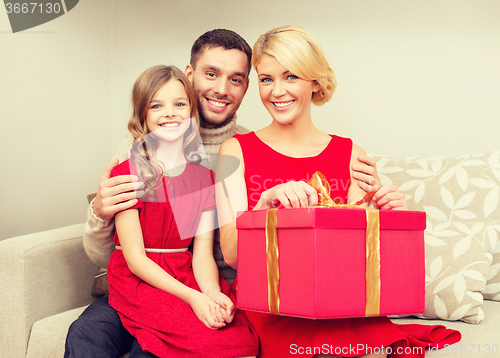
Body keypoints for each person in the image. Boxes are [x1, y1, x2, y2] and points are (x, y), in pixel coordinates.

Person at [66, 29, 381, 357]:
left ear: (246, 85)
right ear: (190, 76)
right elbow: (106, 255)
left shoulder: (242, 150)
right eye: (211, 74)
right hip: (140, 284)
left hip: (204, 284)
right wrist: (100, 213)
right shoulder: (140, 150)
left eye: (236, 79)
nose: (221, 89)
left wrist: (375, 207)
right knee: (88, 333)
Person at [216, 25, 461, 358]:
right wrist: (263, 205)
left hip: (336, 302)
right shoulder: (234, 151)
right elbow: (231, 254)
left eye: (291, 77)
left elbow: (356, 262)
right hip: (271, 304)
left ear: (315, 81)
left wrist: (386, 218)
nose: (276, 91)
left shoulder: (351, 154)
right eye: (266, 79)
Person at [107, 64, 259, 357]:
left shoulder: (203, 178)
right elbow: (136, 259)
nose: (170, 113)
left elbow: (202, 254)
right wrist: (194, 299)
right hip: (138, 280)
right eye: (157, 105)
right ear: (143, 115)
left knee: (234, 336)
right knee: (189, 335)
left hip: (183, 274)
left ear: (192, 113)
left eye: (179, 104)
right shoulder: (127, 173)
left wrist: (211, 294)